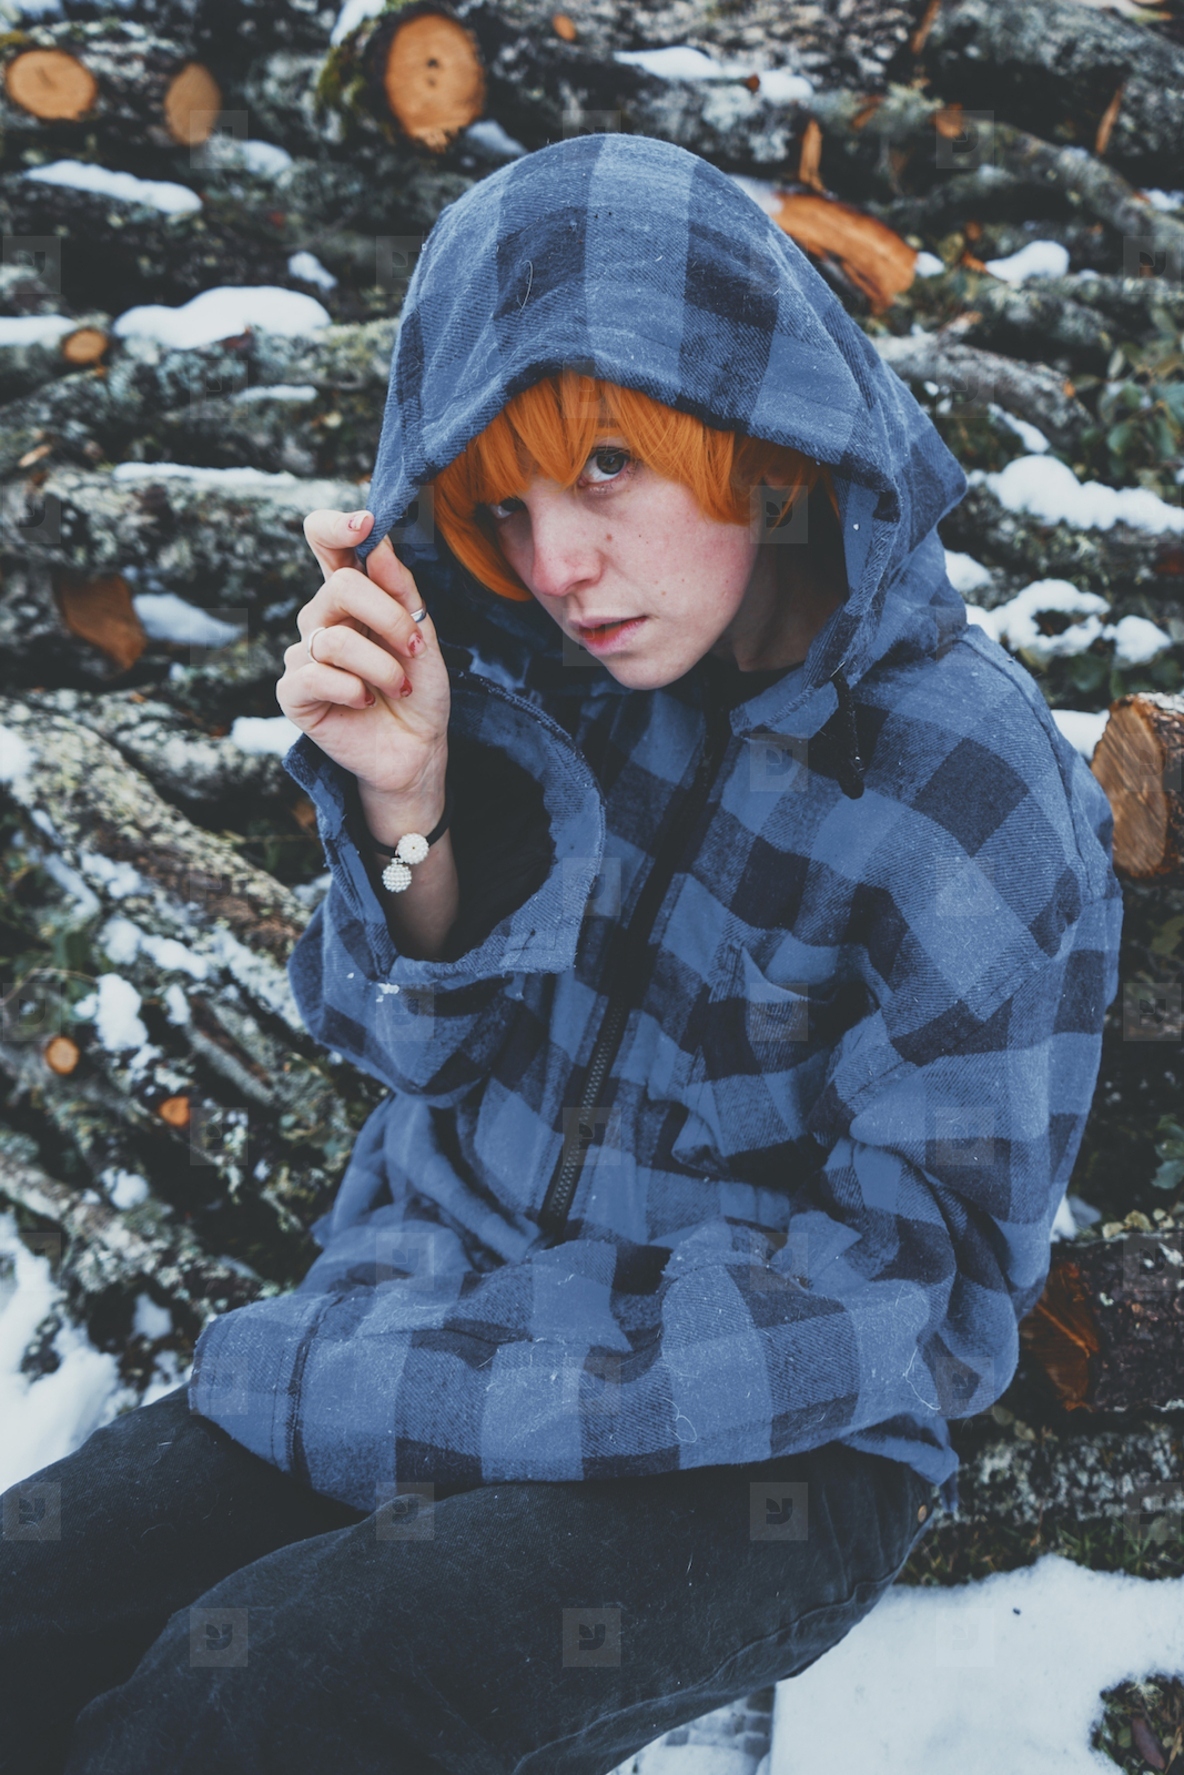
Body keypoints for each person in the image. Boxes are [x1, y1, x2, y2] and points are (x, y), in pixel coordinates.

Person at [0, 132, 1122, 1775]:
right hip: (440, 1294)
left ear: (759, 418)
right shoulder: (537, 666)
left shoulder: (974, 787)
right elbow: (422, 1055)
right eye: (504, 503)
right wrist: (409, 806)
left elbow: (924, 1290)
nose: (560, 563)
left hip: (767, 1445)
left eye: (607, 465)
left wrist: (548, 1387)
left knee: (281, 1695)